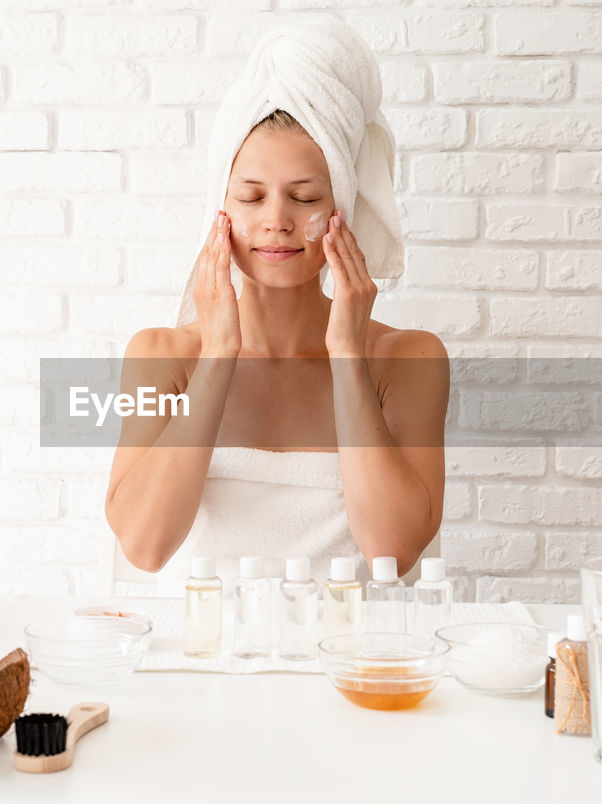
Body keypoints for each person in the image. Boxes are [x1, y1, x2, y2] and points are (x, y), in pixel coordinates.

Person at [104, 19, 449, 588]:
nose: (276, 222)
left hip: (348, 663)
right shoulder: (161, 355)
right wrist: (217, 355)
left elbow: (393, 552)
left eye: (306, 197)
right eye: (251, 196)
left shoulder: (407, 360)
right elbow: (145, 546)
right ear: (221, 209)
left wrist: (346, 355)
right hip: (201, 661)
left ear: (343, 208)